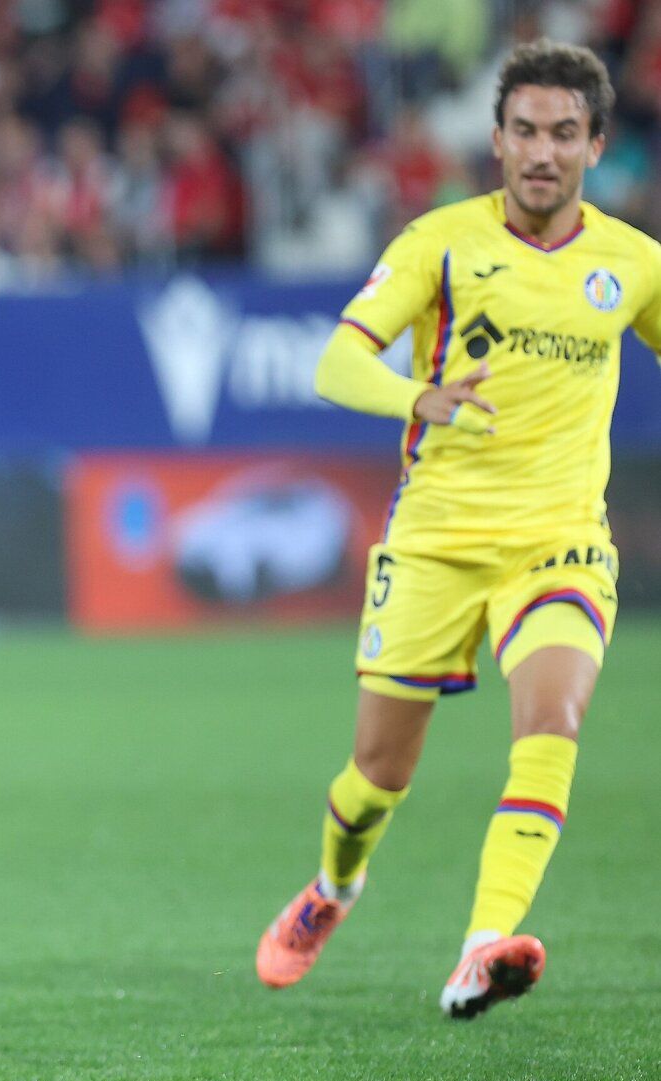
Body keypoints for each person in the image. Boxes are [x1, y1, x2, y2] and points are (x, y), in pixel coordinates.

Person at [256, 41, 661, 1018]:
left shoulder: (633, 263)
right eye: (524, 130)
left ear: (595, 146)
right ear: (495, 140)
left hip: (558, 542)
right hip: (434, 540)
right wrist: (417, 394)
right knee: (378, 771)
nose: (541, 151)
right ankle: (332, 888)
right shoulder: (439, 240)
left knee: (551, 723)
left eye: (564, 133)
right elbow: (335, 363)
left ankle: (483, 945)